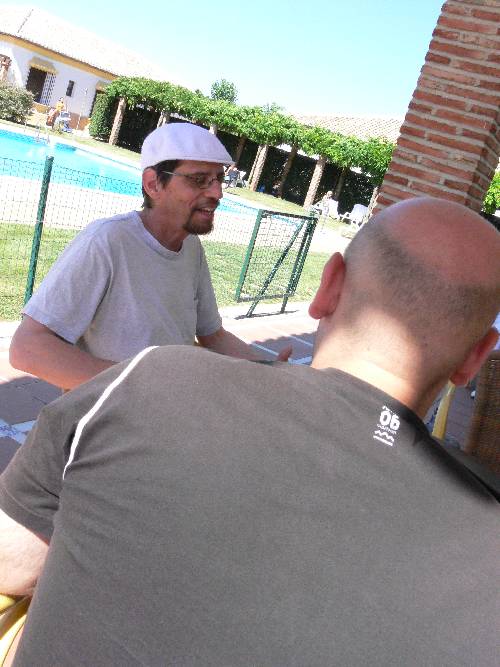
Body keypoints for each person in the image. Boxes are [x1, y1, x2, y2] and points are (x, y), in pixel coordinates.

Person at [1, 197, 500, 665]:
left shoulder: (147, 380)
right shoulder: (485, 546)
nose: (214, 192)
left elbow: (12, 562)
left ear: (328, 287)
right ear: (476, 358)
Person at [9, 123, 290, 390]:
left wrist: (270, 369)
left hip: (167, 411)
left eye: (218, 179)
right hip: (110, 419)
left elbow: (213, 336)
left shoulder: (190, 247)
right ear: (153, 184)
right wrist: (138, 388)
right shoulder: (107, 241)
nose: (217, 193)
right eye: (199, 180)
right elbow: (28, 347)